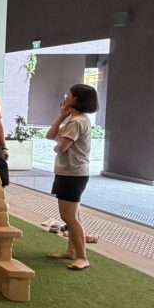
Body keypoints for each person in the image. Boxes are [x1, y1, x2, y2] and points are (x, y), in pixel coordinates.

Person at [46, 84, 99, 271]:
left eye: (68, 95)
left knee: (69, 217)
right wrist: (62, 115)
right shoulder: (75, 120)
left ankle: (82, 257)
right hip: (71, 173)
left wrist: (59, 143)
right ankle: (71, 251)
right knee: (73, 216)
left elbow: (60, 147)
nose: (65, 97)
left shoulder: (77, 122)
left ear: (75, 99)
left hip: (72, 174)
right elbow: (50, 135)